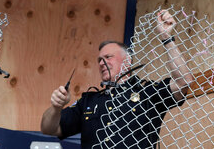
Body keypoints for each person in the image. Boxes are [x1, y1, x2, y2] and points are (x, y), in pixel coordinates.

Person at [40, 10, 193, 148]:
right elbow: (49, 129)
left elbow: (183, 81)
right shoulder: (89, 100)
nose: (101, 63)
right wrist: (56, 107)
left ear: (127, 62)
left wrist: (167, 38)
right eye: (99, 60)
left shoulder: (147, 92)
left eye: (108, 57)